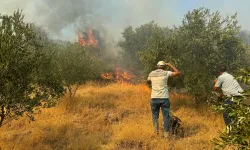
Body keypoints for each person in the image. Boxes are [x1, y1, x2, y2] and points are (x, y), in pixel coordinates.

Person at [147, 61, 181, 138]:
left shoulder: (151, 73)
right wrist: (170, 65)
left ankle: (156, 133)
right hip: (164, 98)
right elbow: (178, 73)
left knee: (155, 117)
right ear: (164, 67)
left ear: (157, 66)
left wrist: (154, 83)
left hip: (154, 98)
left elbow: (148, 81)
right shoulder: (167, 73)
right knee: (166, 117)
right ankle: (166, 134)